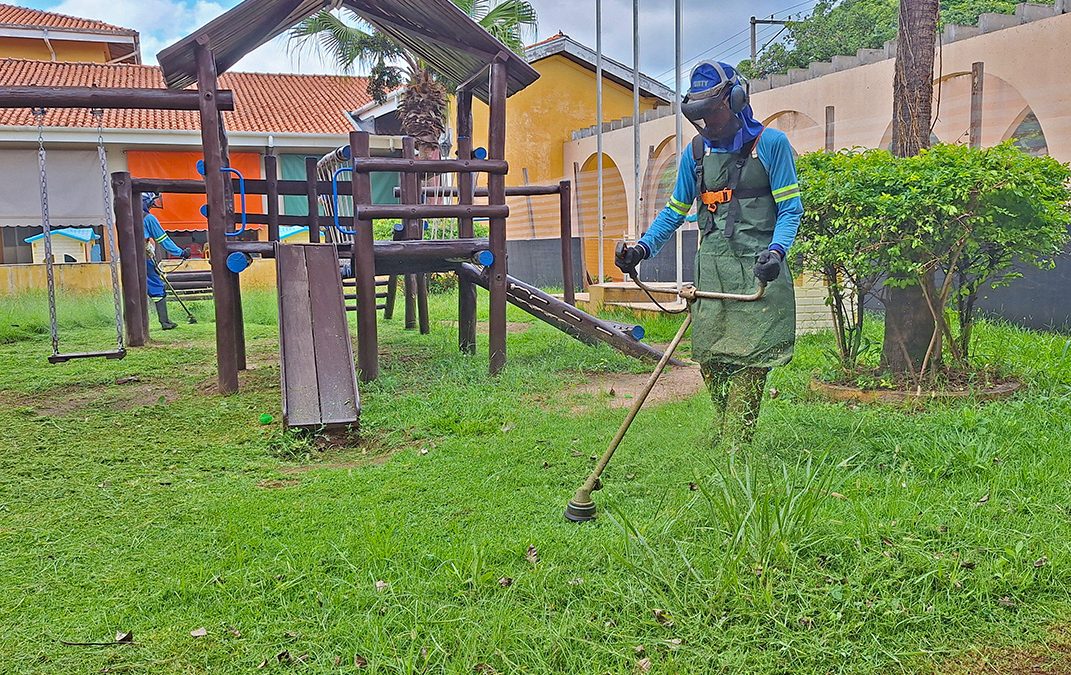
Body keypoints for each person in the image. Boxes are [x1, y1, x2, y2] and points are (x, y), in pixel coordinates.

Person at [616, 61, 803, 446]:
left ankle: (737, 442)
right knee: (713, 360)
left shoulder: (771, 145)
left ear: (736, 100)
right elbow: (674, 212)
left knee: (752, 361)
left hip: (759, 269)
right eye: (699, 118)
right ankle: (725, 425)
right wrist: (642, 249)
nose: (707, 125)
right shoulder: (696, 152)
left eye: (712, 114)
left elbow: (790, 209)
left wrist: (777, 251)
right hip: (713, 271)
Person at [142, 192, 190, 330]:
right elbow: (163, 239)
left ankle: (134, 324)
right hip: (144, 259)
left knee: (135, 289)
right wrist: (181, 252)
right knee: (157, 287)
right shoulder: (149, 218)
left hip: (129, 261)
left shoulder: (126, 218)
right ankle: (165, 322)